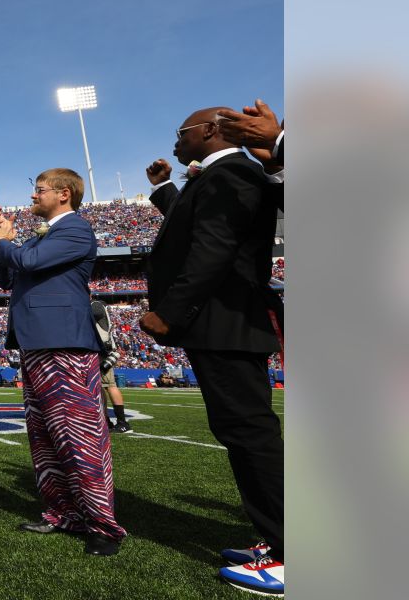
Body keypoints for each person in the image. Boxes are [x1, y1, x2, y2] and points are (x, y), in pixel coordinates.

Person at [140, 108, 284, 595]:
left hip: (225, 322)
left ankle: (291, 550)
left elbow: (214, 246)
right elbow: (202, 224)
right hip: (221, 324)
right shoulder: (223, 174)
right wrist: (166, 193)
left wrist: (171, 311)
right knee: (241, 432)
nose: (175, 143)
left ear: (208, 131)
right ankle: (275, 538)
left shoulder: (235, 170)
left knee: (250, 434)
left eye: (180, 133)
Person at [0, 168, 126, 556]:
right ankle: (63, 511)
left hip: (64, 343)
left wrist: (7, 244)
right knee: (45, 436)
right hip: (37, 344)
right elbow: (6, 277)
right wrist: (0, 241)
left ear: (64, 194)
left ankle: (103, 526)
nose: (33, 196)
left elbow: (28, 263)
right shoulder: (43, 236)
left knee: (80, 434)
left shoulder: (76, 229)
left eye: (39, 190)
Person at [90, 300, 132, 433]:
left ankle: (122, 422)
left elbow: (87, 315)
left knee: (110, 386)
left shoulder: (95, 305)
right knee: (100, 387)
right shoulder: (97, 305)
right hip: (100, 351)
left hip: (103, 352)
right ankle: (106, 420)